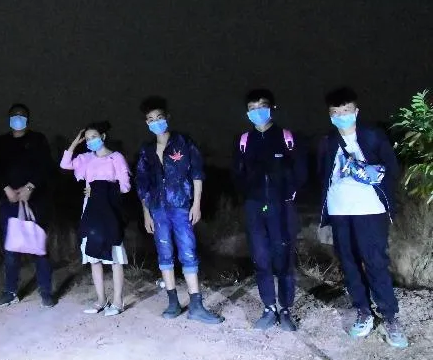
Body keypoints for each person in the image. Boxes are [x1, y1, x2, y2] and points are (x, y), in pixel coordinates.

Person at [318, 87, 408, 348]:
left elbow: (392, 168)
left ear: (356, 112)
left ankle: (390, 316)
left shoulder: (372, 135)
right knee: (349, 264)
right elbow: (321, 175)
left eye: (346, 111)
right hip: (339, 211)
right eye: (336, 112)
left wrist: (372, 171)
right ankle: (363, 311)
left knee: (376, 262)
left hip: (370, 210)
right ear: (330, 116)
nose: (341, 116)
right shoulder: (327, 141)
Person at [135, 96, 223, 324]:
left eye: (159, 117)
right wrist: (146, 213)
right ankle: (173, 302)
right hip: (158, 209)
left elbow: (197, 173)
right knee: (164, 253)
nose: (156, 122)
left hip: (181, 205)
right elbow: (143, 185)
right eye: (150, 119)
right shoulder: (146, 150)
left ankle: (196, 306)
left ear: (167, 117)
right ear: (146, 123)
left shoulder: (183, 142)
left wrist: (196, 204)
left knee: (188, 252)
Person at [232, 89, 307, 331]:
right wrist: (249, 194)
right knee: (261, 258)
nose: (257, 112)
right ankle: (268, 308)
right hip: (254, 208)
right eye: (252, 108)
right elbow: (237, 174)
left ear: (272, 108)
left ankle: (285, 309)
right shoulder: (244, 141)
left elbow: (300, 171)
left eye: (262, 106)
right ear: (247, 112)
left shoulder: (287, 137)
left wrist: (289, 193)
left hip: (282, 207)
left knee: (284, 259)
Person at [60, 121, 131, 316]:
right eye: (88, 138)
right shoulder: (86, 158)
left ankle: (118, 301)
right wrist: (75, 143)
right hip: (90, 209)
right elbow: (65, 164)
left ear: (103, 136)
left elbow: (125, 186)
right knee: (93, 256)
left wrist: (101, 190)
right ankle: (101, 300)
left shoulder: (115, 157)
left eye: (94, 137)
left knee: (115, 256)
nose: (91, 141)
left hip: (109, 209)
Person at [0, 103, 56, 308]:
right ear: (9, 119)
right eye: (14, 115)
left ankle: (46, 291)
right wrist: (6, 189)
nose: (18, 118)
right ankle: (10, 291)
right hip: (9, 201)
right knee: (11, 248)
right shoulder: (0, 142)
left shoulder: (38, 140)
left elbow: (46, 165)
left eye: (22, 115)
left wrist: (30, 187)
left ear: (28, 119)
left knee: (38, 245)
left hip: (35, 201)